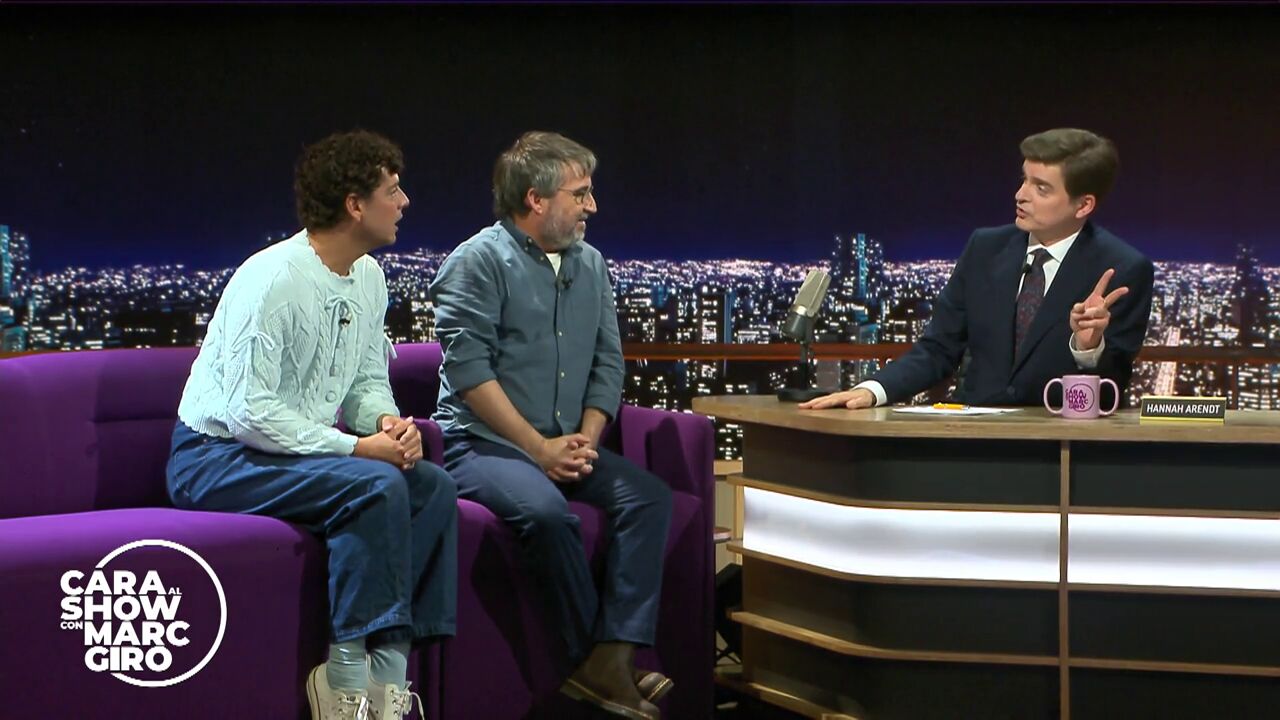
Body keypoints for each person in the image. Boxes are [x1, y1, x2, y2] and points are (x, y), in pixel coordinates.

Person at [166, 130, 457, 720]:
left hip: (291, 453)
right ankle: (342, 677)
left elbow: (364, 381)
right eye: (392, 190)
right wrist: (357, 448)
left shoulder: (369, 277)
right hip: (215, 457)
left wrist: (386, 423)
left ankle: (388, 681)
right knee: (374, 485)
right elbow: (249, 412)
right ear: (355, 205)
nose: (404, 202)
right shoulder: (273, 279)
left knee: (432, 486)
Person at [430, 131, 674, 720]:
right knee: (546, 514)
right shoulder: (477, 261)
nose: (593, 206)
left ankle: (613, 658)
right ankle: (596, 667)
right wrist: (539, 449)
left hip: (564, 441)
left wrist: (585, 441)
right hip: (481, 445)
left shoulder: (591, 264)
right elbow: (469, 374)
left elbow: (608, 363)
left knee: (649, 497)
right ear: (535, 199)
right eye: (580, 193)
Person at [802, 128, 1154, 411]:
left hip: (1059, 448)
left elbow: (1112, 386)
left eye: (1041, 188)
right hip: (973, 438)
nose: (1020, 195)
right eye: (1024, 180)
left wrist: (1087, 347)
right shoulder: (985, 249)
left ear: (1083, 205)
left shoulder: (1122, 268)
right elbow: (938, 348)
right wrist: (872, 390)